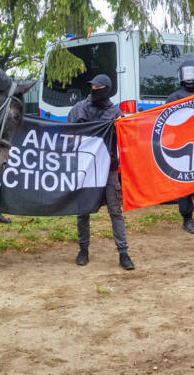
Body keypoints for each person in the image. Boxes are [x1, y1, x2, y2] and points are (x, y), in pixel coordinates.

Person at [66, 74, 135, 270]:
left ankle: (123, 253)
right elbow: (67, 134)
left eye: (98, 87)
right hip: (85, 168)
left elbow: (125, 140)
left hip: (108, 169)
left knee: (115, 211)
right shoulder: (79, 109)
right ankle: (83, 250)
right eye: (92, 87)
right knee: (83, 211)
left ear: (107, 89)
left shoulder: (115, 113)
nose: (94, 90)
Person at [165, 60, 194, 234]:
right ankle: (187, 219)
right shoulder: (174, 97)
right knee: (184, 185)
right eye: (187, 74)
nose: (189, 77)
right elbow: (164, 121)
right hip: (183, 147)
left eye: (192, 74)